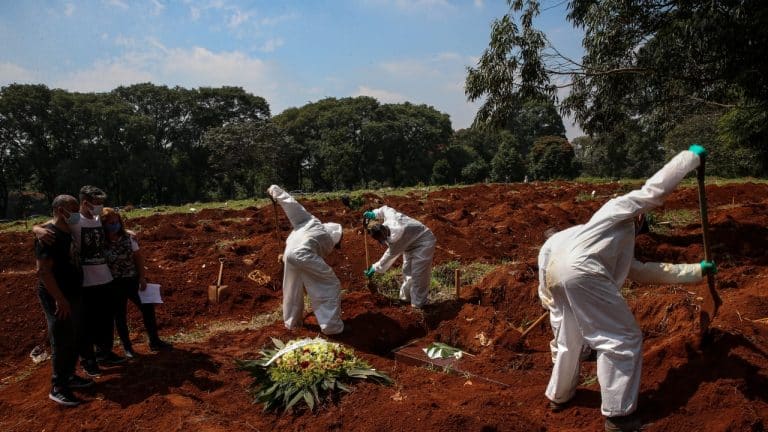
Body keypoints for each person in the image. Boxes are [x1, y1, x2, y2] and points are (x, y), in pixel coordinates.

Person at [536, 145, 717, 432]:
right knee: (622, 338)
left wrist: (695, 271)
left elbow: (640, 271)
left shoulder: (605, 236)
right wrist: (689, 159)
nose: (644, 218)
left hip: (560, 272)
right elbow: (652, 192)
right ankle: (619, 416)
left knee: (570, 339)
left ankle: (560, 395)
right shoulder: (616, 209)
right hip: (580, 270)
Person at [34, 185, 124, 376]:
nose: (101, 206)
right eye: (97, 203)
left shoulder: (99, 219)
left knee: (106, 320)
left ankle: (105, 353)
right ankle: (87, 360)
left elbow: (115, 228)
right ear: (85, 203)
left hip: (105, 277)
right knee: (86, 324)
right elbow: (47, 226)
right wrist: (36, 230)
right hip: (85, 282)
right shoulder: (74, 221)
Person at [34, 195, 94, 406]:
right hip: (57, 295)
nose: (77, 213)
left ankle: (69, 375)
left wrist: (34, 227)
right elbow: (43, 272)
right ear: (60, 210)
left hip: (73, 291)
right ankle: (58, 387)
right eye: (73, 209)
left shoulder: (68, 230)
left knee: (73, 334)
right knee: (61, 337)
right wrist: (59, 299)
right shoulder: (49, 236)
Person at [267, 185, 345, 335]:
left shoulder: (308, 221)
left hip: (289, 254)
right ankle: (332, 328)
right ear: (336, 237)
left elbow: (291, 205)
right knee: (330, 284)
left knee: (292, 288)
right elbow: (310, 258)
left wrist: (275, 191)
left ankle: (291, 323)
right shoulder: (327, 239)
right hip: (302, 255)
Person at [102, 208, 172, 357]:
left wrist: (142, 277)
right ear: (104, 224)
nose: (114, 225)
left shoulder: (129, 237)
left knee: (147, 308)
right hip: (114, 283)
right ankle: (127, 348)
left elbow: (138, 257)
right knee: (120, 316)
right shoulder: (101, 241)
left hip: (132, 280)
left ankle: (154, 341)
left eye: (116, 222)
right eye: (110, 223)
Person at [362, 206, 436, 308]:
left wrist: (374, 268)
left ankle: (419, 305)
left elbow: (388, 258)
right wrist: (375, 213)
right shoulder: (391, 218)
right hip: (410, 243)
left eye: (381, 240)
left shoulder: (396, 240)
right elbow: (385, 209)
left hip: (424, 241)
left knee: (418, 274)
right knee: (407, 270)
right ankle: (406, 299)